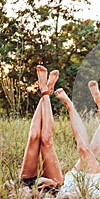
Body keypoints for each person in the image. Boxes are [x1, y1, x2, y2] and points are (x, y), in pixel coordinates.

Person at [5, 65, 63, 198]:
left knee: (33, 137)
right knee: (46, 140)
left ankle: (45, 91)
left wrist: (14, 186)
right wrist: (52, 184)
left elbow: (8, 186)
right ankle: (45, 92)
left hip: (27, 183)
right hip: (53, 187)